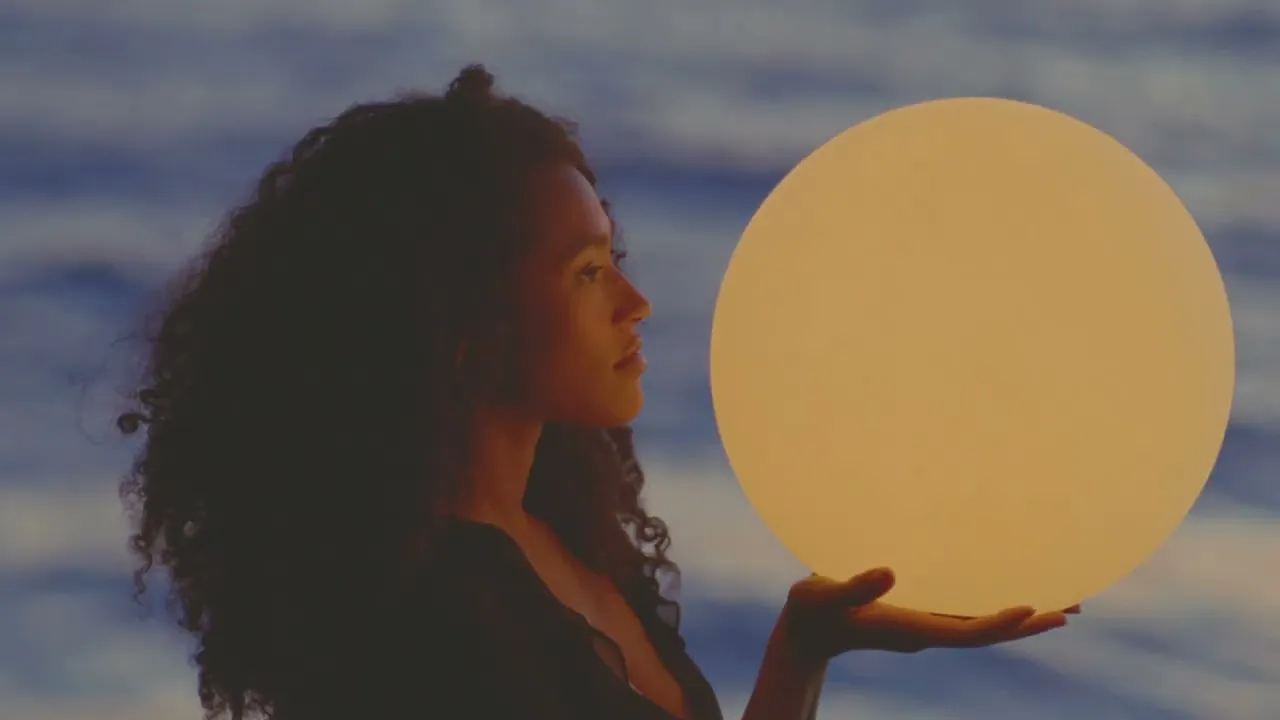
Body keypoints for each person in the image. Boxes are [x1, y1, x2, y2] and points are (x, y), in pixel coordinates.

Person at [115, 64, 1075, 720]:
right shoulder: (424, 620)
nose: (634, 302)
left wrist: (803, 648)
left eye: (612, 257)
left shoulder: (559, 540)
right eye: (585, 273)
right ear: (461, 321)